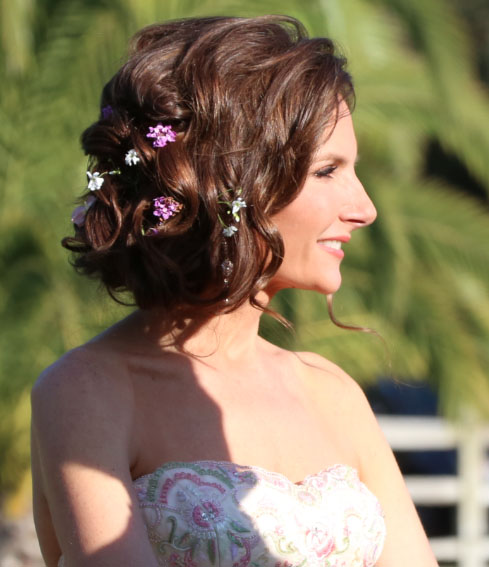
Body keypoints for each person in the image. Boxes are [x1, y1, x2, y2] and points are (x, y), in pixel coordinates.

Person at [30, 15, 438, 567]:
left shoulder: (334, 393)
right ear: (236, 182)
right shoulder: (88, 392)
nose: (364, 209)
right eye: (327, 171)